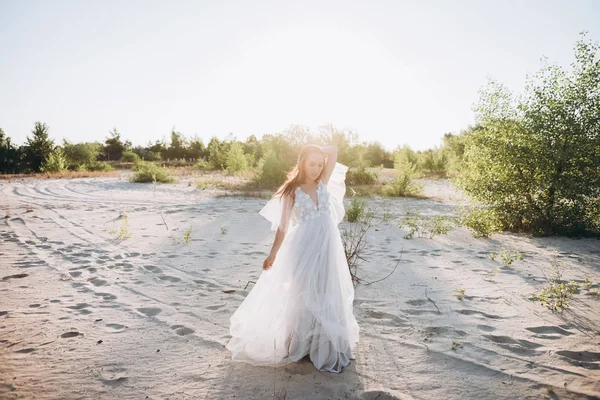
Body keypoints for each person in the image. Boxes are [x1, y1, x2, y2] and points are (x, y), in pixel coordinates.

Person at [226, 144, 359, 373]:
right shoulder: (292, 190)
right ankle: (300, 344)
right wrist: (273, 253)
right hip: (304, 246)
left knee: (327, 290)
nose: (316, 169)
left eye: (320, 164)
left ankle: (324, 345)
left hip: (328, 245)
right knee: (303, 293)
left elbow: (334, 151)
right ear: (301, 163)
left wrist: (317, 148)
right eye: (311, 164)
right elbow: (282, 227)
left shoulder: (322, 182)